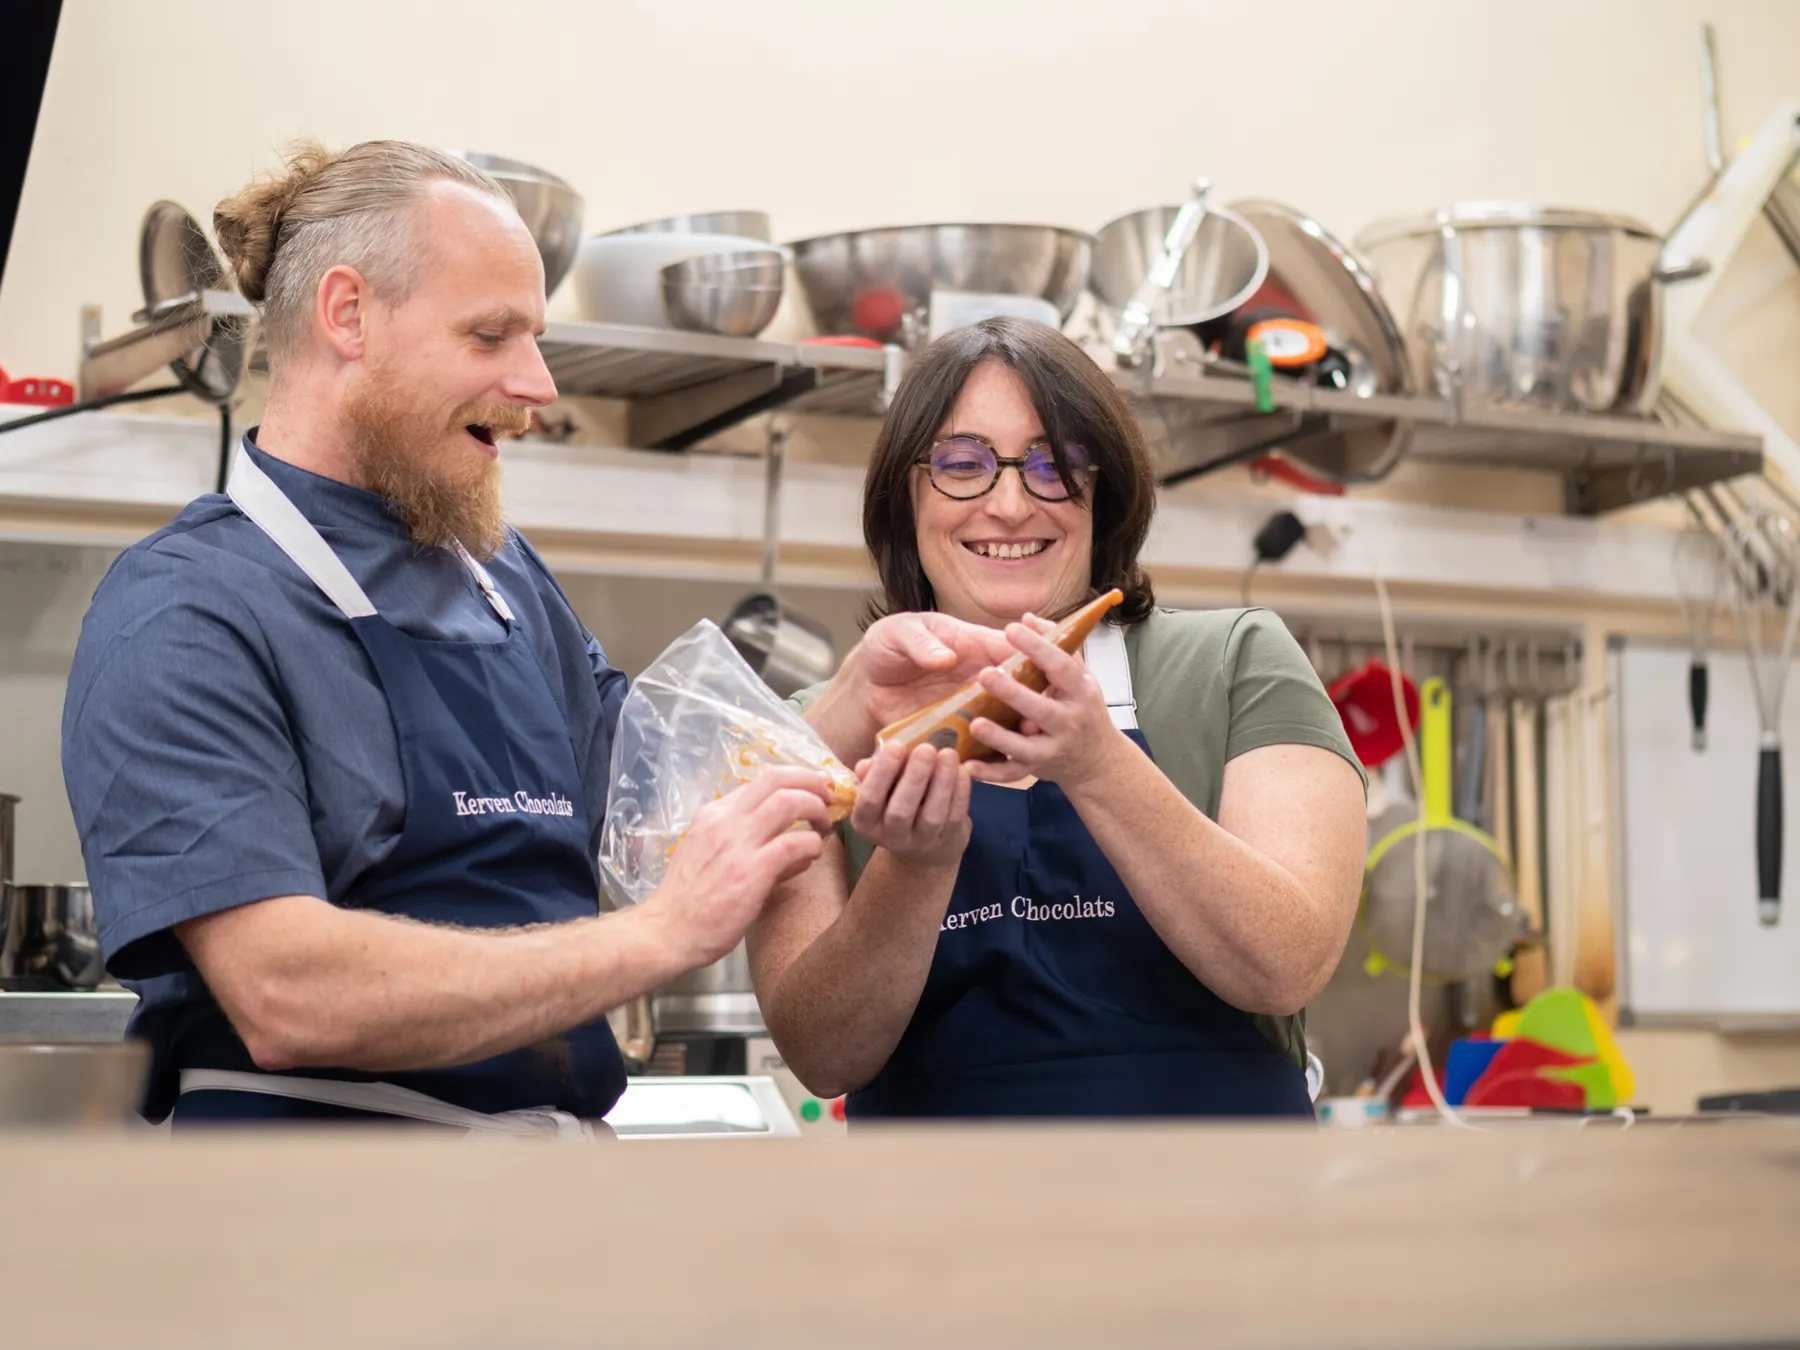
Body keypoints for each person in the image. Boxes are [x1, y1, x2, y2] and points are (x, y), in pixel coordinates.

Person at [60, 140, 1009, 1131]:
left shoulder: (500, 578)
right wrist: (659, 937)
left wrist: (859, 697)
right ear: (349, 314)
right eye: (491, 335)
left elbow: (653, 807)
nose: (539, 384)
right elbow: (286, 993)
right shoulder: (186, 609)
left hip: (545, 1194)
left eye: (537, 338)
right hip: (320, 1216)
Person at [749, 317, 1369, 1120]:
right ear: (905, 496)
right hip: (933, 1224)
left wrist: (1099, 764)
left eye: (1055, 465)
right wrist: (916, 867)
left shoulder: (1233, 662)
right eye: (962, 464)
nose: (1009, 504)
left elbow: (1286, 963)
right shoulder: (821, 732)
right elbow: (823, 1052)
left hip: (1221, 1215)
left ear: (1103, 493)